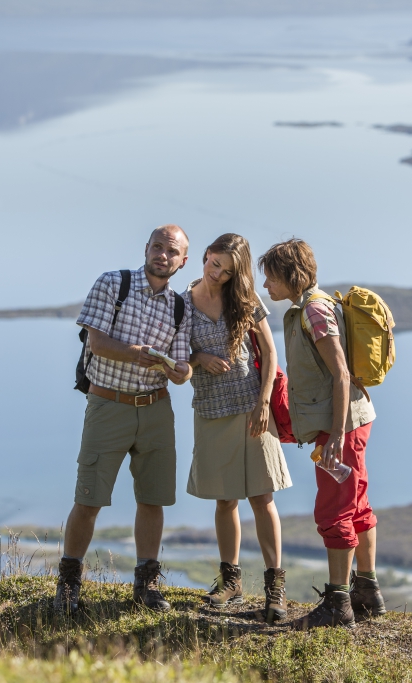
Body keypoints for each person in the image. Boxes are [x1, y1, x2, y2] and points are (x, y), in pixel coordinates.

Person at [54, 224, 194, 614]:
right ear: (146, 248)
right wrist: (136, 354)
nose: (162, 255)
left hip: (155, 408)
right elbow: (96, 342)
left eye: (172, 251)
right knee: (89, 499)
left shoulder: (180, 306)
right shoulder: (113, 283)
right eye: (157, 247)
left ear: (183, 261)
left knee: (153, 499)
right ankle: (68, 586)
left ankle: (146, 586)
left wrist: (181, 372)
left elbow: (182, 366)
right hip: (108, 405)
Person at [258, 239, 385, 629]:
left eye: (270, 278)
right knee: (356, 504)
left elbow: (341, 373)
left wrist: (333, 436)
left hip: (341, 426)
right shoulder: (311, 307)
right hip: (350, 421)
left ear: (288, 276)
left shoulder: (314, 310)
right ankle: (367, 590)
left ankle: (338, 604)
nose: (266, 287)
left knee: (334, 510)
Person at [186, 233, 292, 623]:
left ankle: (274, 587)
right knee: (224, 499)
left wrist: (264, 401)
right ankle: (230, 582)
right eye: (214, 263)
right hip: (211, 411)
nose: (216, 274)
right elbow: (177, 356)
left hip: (252, 408)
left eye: (226, 271)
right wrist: (199, 358)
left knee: (262, 497)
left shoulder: (245, 299)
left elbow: (269, 350)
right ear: (206, 254)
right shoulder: (184, 302)